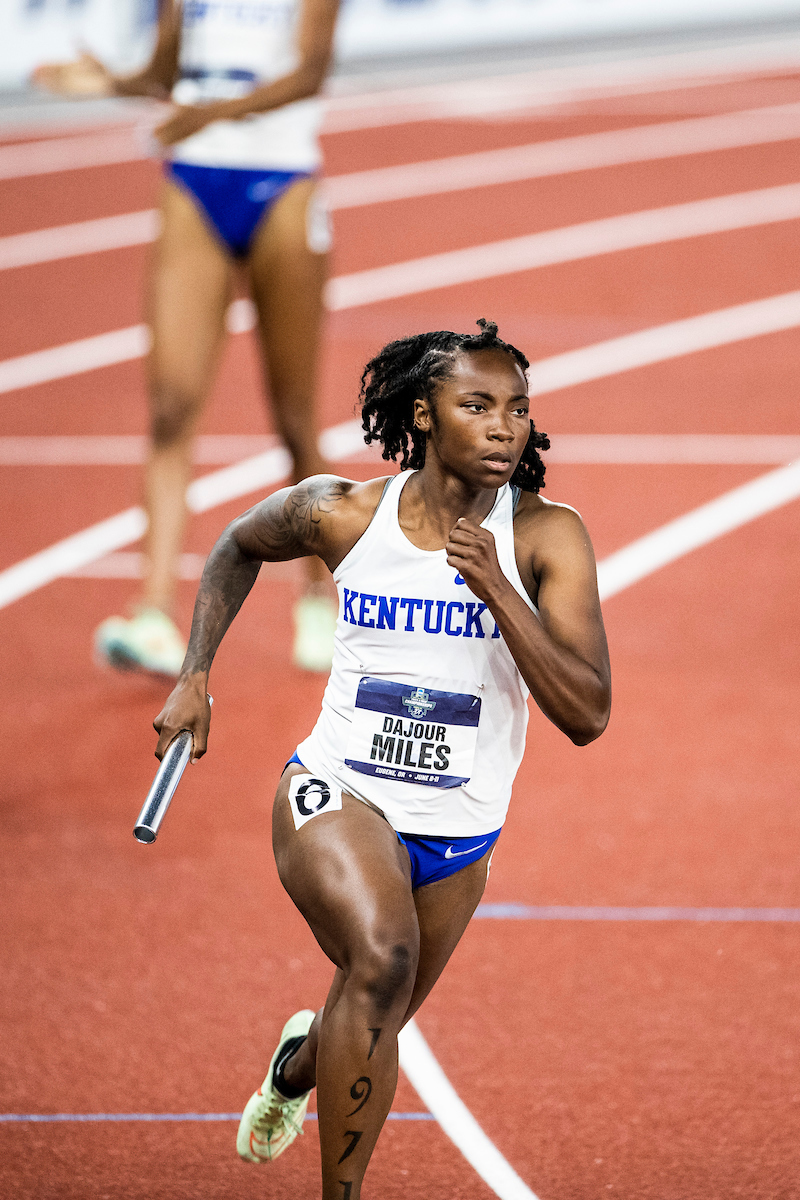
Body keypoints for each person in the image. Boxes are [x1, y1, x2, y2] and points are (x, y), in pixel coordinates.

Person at [153, 320, 612, 1199]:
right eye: (477, 405)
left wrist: (497, 588)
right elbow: (239, 543)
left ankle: (295, 1068)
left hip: (459, 830)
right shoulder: (344, 513)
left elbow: (588, 713)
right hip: (338, 790)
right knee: (383, 961)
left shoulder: (545, 538)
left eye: (517, 408)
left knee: (372, 1012)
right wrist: (194, 675)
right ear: (424, 415)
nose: (504, 427)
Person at [33, 0, 341, 674]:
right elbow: (167, 73)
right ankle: (153, 614)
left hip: (282, 178)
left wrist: (210, 115)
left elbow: (310, 74)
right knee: (171, 406)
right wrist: (108, 81)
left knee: (294, 418)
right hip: (194, 179)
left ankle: (319, 597)